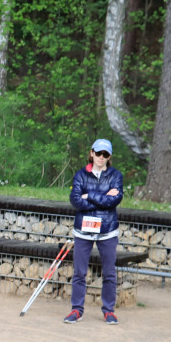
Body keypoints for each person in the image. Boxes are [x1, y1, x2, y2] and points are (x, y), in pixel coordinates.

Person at [64, 139, 123, 325]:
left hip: (108, 230)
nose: (101, 157)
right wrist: (103, 198)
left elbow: (113, 201)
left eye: (105, 154)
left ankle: (109, 311)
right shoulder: (80, 175)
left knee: (109, 273)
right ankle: (76, 309)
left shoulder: (116, 176)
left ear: (109, 156)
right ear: (92, 153)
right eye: (98, 153)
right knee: (80, 272)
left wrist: (88, 195)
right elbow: (75, 201)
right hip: (83, 230)